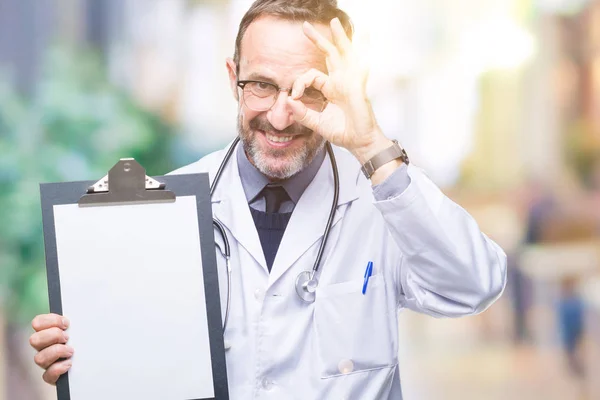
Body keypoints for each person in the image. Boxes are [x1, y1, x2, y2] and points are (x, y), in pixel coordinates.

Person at [29, 1, 507, 398]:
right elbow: (130, 356)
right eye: (261, 85)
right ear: (232, 76)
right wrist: (79, 353)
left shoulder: (384, 199)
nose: (280, 116)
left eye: (308, 90)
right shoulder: (163, 207)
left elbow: (474, 285)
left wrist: (370, 143)